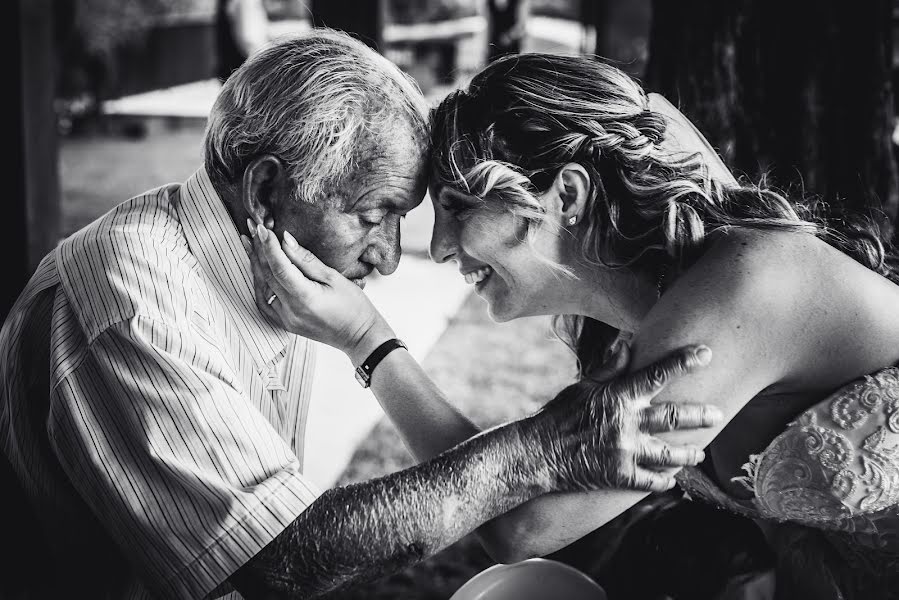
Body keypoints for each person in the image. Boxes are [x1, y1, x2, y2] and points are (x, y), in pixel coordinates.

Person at [0, 32, 722, 599]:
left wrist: (363, 337)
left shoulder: (266, 268)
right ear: (264, 191)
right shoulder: (135, 300)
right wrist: (536, 449)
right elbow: (274, 562)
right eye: (374, 216)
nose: (387, 259)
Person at [249, 52, 899, 598]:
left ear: (566, 194)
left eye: (455, 206)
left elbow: (521, 525)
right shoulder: (638, 325)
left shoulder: (744, 288)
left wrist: (368, 340)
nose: (441, 247)